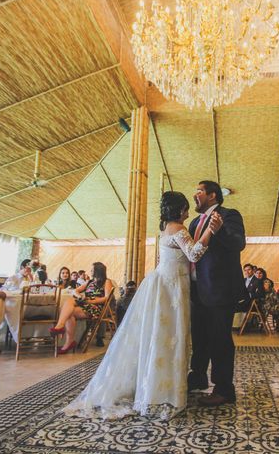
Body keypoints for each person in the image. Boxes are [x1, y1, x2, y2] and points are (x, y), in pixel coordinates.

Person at [63, 191, 215, 420]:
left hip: (165, 284)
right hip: (171, 289)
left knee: (159, 336)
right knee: (169, 337)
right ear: (176, 210)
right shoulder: (178, 228)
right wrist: (211, 231)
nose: (187, 212)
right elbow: (195, 254)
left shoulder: (165, 228)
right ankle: (163, 392)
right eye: (184, 208)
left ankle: (155, 386)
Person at [187, 180, 246, 407]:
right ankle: (198, 376)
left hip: (220, 289)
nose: (195, 194)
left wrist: (218, 231)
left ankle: (224, 389)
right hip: (196, 290)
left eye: (199, 190)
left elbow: (238, 244)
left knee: (219, 339)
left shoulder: (230, 215)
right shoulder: (194, 222)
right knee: (199, 337)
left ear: (212, 195)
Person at [51, 262, 114, 352]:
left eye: (92, 270)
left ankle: (66, 337)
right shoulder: (90, 281)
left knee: (69, 312)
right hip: (86, 303)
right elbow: (75, 290)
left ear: (98, 271)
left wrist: (92, 301)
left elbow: (107, 298)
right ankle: (62, 329)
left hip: (96, 308)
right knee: (69, 303)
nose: (91, 271)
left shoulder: (106, 281)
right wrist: (79, 296)